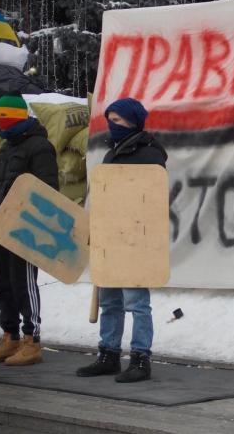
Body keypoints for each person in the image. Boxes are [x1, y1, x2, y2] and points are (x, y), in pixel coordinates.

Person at [76, 97, 167, 383]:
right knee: (110, 301)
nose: (111, 126)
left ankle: (141, 358)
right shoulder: (111, 154)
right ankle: (108, 354)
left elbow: (151, 198)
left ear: (132, 121)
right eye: (109, 120)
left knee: (137, 302)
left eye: (116, 121)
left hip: (136, 240)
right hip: (111, 238)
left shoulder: (150, 154)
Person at [0, 95, 58, 366]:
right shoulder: (6, 148)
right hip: (2, 226)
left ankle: (32, 340)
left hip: (26, 230)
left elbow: (48, 192)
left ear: (16, 116)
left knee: (23, 284)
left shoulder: (40, 147)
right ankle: (10, 336)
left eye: (3, 116)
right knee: (3, 284)